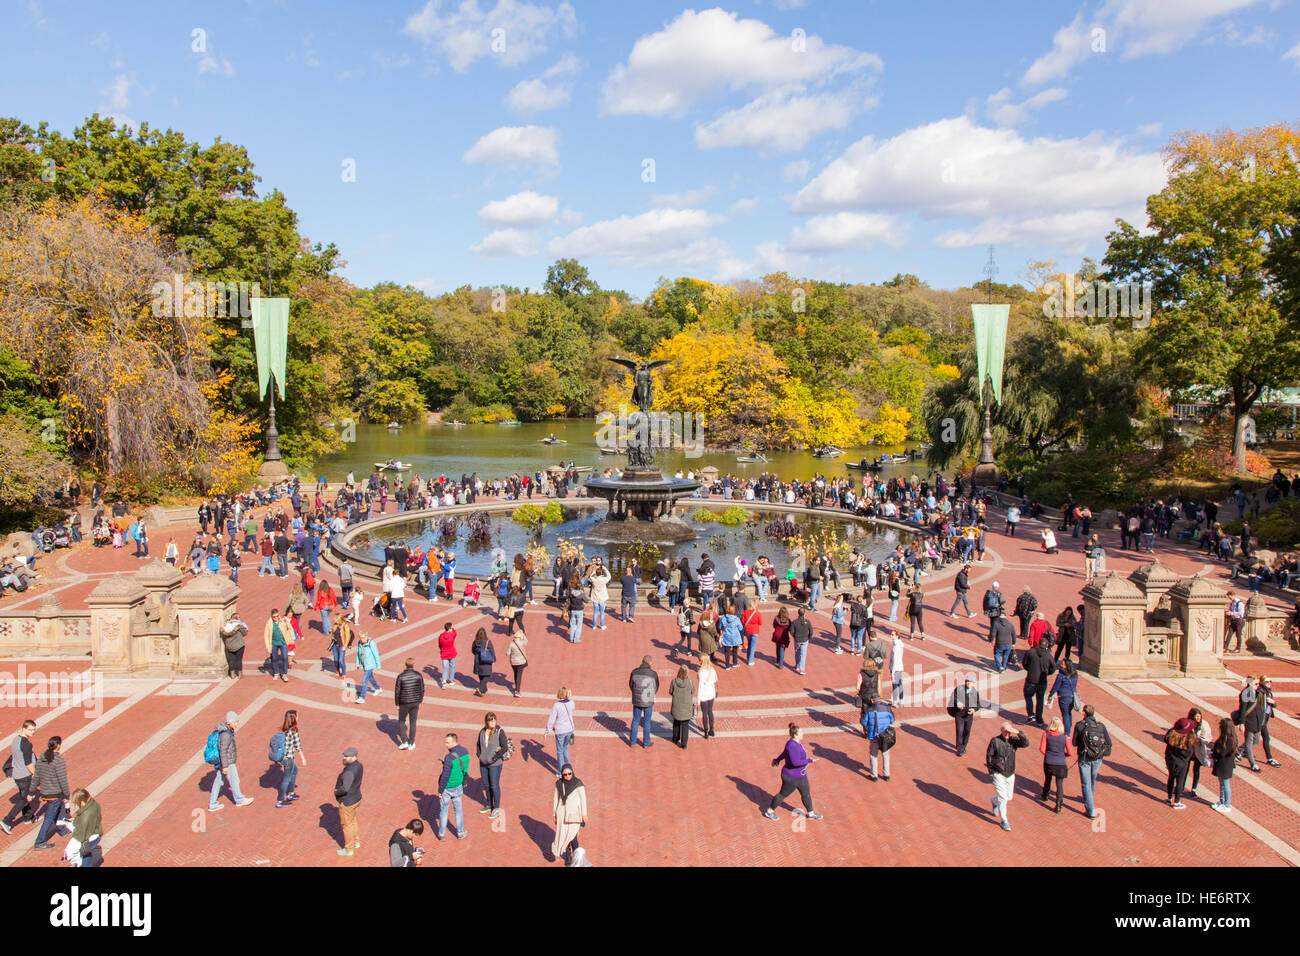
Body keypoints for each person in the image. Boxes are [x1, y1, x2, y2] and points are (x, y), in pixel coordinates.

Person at [763, 724, 822, 821]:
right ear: (795, 734)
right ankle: (769, 812)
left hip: (801, 776)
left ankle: (811, 813)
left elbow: (784, 753)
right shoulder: (792, 745)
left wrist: (777, 760)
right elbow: (795, 762)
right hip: (791, 777)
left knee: (806, 794)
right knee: (782, 795)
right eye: (801, 732)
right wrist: (809, 760)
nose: (803, 733)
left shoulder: (796, 743)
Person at [985, 722, 1029, 831]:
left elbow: (1026, 743)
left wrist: (1018, 732)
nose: (1006, 734)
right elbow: (989, 756)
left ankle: (994, 801)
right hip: (998, 773)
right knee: (1003, 798)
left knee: (1009, 797)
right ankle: (1004, 820)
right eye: (1005, 731)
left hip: (1010, 773)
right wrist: (992, 771)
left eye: (1008, 731)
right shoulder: (995, 741)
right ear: (1001, 731)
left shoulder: (1013, 741)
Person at [1071, 704, 1112, 820]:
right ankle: (1089, 797)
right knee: (1092, 779)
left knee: (1085, 783)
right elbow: (1109, 742)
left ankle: (1091, 810)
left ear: (1084, 713)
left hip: (1084, 757)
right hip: (1098, 758)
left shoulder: (1079, 725)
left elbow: (1074, 743)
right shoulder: (1101, 726)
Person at [207, 713, 254, 813]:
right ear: (231, 721)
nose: (237, 724)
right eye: (236, 722)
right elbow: (223, 750)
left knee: (218, 781)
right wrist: (225, 766)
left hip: (225, 761)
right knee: (234, 780)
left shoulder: (226, 731)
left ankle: (213, 804)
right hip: (227, 762)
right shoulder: (226, 734)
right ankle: (239, 800)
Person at [1, 719, 38, 833]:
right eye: (31, 730)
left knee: (25, 795)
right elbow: (28, 763)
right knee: (26, 798)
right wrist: (36, 774)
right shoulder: (26, 744)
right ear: (24, 729)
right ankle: (7, 821)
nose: (33, 732)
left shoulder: (16, 739)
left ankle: (28, 817)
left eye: (34, 730)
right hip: (24, 775)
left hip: (17, 774)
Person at [436, 733, 472, 840]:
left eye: (447, 742)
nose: (445, 744)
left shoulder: (449, 757)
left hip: (447, 788)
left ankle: (441, 834)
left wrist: (440, 790)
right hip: (458, 786)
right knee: (458, 810)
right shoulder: (466, 752)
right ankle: (460, 832)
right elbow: (465, 770)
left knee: (444, 811)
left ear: (453, 742)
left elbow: (445, 776)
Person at [552, 763, 588, 866]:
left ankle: (577, 858)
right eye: (565, 774)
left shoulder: (578, 784)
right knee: (564, 837)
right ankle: (568, 857)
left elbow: (583, 800)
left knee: (574, 838)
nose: (567, 776)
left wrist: (584, 814)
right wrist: (554, 814)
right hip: (562, 815)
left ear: (572, 772)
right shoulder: (558, 784)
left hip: (574, 816)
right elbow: (556, 800)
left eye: (569, 774)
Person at [476, 713, 510, 819]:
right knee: (486, 785)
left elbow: (504, 747)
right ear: (486, 722)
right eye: (490, 720)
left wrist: (495, 758)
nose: (493, 722)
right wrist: (479, 756)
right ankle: (489, 804)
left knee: (494, 785)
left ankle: (496, 808)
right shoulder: (482, 732)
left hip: (495, 764)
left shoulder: (499, 732)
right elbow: (478, 745)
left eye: (494, 720)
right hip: (483, 763)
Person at [1039, 716, 1073, 814]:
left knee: (1048, 779)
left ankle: (1045, 795)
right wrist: (1063, 755)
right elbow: (1070, 752)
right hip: (1061, 763)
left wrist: (1049, 753)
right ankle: (1058, 805)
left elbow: (1042, 749)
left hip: (1048, 762)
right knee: (1059, 785)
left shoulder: (1046, 734)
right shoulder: (1064, 737)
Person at [334, 747, 363, 855]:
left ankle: (349, 849)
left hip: (347, 801)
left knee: (347, 825)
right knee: (353, 821)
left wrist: (336, 792)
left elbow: (344, 789)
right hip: (356, 798)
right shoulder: (359, 765)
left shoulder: (349, 772)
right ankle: (356, 841)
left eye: (346, 756)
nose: (344, 758)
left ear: (354, 757)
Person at [63, 788, 102, 867]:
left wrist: (71, 826)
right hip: (95, 834)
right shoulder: (94, 804)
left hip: (89, 838)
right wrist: (76, 820)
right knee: (86, 855)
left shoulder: (86, 814)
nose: (76, 805)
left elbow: (81, 834)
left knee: (85, 856)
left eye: (76, 803)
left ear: (82, 802)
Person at [1022, 637, 1058, 724]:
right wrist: (1046, 673)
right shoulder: (1049, 656)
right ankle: (1039, 718)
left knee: (1028, 696)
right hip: (1042, 681)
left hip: (1031, 679)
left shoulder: (1031, 652)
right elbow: (1053, 668)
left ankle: (1030, 714)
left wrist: (1030, 670)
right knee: (1040, 699)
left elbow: (1024, 663)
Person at [274, 709, 306, 809]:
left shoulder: (284, 729)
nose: (298, 718)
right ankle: (280, 800)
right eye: (297, 716)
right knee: (286, 778)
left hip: (283, 757)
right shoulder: (293, 731)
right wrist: (303, 759)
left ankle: (291, 793)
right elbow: (298, 746)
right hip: (288, 758)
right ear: (294, 718)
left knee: (294, 770)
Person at [1163, 716, 1196, 809]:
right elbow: (1189, 753)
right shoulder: (1187, 740)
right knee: (1180, 781)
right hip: (1182, 763)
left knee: (1171, 777)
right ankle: (1177, 801)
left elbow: (1166, 738)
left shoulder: (1171, 735)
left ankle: (1169, 798)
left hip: (1170, 760)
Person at [629, 655, 659, 748]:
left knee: (635, 720)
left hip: (637, 699)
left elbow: (631, 685)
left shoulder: (634, 672)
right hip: (648, 700)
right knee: (647, 722)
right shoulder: (653, 674)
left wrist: (635, 693)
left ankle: (632, 741)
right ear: (650, 663)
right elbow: (656, 686)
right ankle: (646, 742)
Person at [395, 658, 424, 750]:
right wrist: (420, 700)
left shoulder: (401, 676)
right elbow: (422, 689)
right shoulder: (418, 675)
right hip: (415, 702)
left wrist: (397, 703)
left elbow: (397, 691)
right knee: (413, 722)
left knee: (402, 721)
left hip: (404, 702)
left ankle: (404, 741)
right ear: (413, 665)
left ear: (405, 665)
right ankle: (411, 742)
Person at [863, 697, 895, 782]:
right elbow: (892, 720)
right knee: (885, 754)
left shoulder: (869, 710)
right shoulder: (887, 708)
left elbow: (864, 722)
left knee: (873, 755)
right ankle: (886, 775)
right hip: (885, 736)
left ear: (872, 700)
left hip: (874, 735)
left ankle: (874, 775)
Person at [545, 688, 577, 771]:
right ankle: (568, 766)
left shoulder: (556, 705)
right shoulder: (571, 703)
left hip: (560, 730)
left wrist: (547, 730)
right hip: (569, 729)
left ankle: (560, 771)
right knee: (565, 747)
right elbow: (572, 709)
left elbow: (552, 718)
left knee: (559, 751)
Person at [947, 677, 980, 756]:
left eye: (970, 682)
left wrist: (974, 710)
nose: (968, 683)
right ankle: (959, 749)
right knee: (959, 731)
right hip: (959, 715)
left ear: (973, 683)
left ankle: (964, 746)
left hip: (969, 716)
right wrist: (958, 703)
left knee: (967, 731)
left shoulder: (975, 692)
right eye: (967, 681)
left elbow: (978, 705)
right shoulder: (959, 689)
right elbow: (953, 698)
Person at [1210, 717, 1238, 814]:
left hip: (1225, 765)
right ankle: (1221, 802)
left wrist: (1214, 753)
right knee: (1222, 784)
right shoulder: (1227, 738)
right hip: (1223, 764)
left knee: (1225, 785)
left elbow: (1222, 752)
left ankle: (1226, 805)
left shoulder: (1229, 740)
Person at [1047, 660, 1079, 735]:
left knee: (1065, 715)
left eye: (1063, 664)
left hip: (1063, 696)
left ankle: (1067, 733)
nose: (1061, 665)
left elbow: (1056, 686)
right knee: (1069, 713)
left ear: (1066, 665)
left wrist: (1051, 695)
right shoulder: (1075, 674)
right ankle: (1069, 728)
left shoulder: (1061, 675)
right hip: (1072, 696)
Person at [669, 665, 695, 749]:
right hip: (686, 706)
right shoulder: (690, 682)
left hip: (677, 705)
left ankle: (675, 738)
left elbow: (670, 691)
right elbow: (693, 691)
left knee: (676, 722)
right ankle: (684, 744)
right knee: (685, 725)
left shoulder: (674, 681)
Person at [263, 608, 290, 683]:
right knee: (274, 659)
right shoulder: (269, 623)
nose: (276, 618)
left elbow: (289, 628)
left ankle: (284, 673)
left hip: (283, 642)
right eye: (274, 617)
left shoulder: (282, 621)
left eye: (277, 616)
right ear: (271, 616)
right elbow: (266, 635)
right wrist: (268, 646)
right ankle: (276, 672)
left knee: (285, 657)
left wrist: (290, 638)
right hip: (274, 643)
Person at [355, 632, 382, 703]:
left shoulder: (371, 643)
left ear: (367, 637)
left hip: (370, 665)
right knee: (370, 677)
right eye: (360, 638)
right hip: (364, 665)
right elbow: (358, 653)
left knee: (364, 680)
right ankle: (378, 688)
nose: (362, 639)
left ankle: (362, 697)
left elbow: (376, 654)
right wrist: (358, 663)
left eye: (363, 637)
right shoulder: (359, 643)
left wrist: (378, 665)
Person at [471, 628, 496, 696]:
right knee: (487, 675)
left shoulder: (475, 642)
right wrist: (494, 659)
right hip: (486, 661)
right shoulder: (487, 641)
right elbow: (491, 650)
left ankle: (484, 689)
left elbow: (473, 651)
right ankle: (480, 688)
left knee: (481, 675)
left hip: (478, 660)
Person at [697, 656, 717, 739]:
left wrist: (698, 699)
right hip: (711, 694)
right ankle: (712, 729)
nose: (699, 662)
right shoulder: (712, 670)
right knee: (710, 711)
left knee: (704, 713)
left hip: (704, 695)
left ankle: (706, 731)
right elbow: (715, 680)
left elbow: (700, 687)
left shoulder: (701, 672)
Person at [790, 608, 813, 675]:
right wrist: (808, 637)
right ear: (804, 613)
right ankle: (802, 669)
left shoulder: (794, 622)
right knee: (803, 654)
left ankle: (797, 666)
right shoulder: (807, 622)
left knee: (797, 652)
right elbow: (811, 631)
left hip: (797, 640)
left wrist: (794, 636)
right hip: (805, 640)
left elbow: (791, 631)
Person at [507, 628, 528, 698]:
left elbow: (507, 653)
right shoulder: (522, 643)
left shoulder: (511, 643)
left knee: (515, 674)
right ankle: (517, 691)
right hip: (521, 662)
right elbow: (526, 641)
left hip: (513, 662)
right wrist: (523, 634)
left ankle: (516, 688)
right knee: (519, 676)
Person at [590, 561, 610, 630]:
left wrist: (594, 571)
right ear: (601, 573)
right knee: (602, 612)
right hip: (602, 598)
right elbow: (609, 576)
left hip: (595, 597)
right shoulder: (603, 579)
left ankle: (594, 626)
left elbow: (590, 576)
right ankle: (602, 625)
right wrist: (605, 569)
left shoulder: (594, 579)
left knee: (595, 612)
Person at [438, 621, 458, 689]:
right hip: (452, 653)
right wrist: (453, 628)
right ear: (449, 628)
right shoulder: (452, 635)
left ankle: (444, 681)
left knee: (445, 667)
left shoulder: (441, 636)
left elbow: (440, 645)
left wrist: (442, 649)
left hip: (444, 653)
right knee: (452, 666)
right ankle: (451, 680)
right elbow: (455, 633)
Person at [890, 634, 906, 705]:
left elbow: (894, 660)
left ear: (897, 636)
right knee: (900, 684)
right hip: (900, 667)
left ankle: (895, 702)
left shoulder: (895, 647)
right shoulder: (900, 645)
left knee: (895, 685)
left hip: (895, 668)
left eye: (892, 635)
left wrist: (892, 673)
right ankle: (901, 700)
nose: (891, 636)